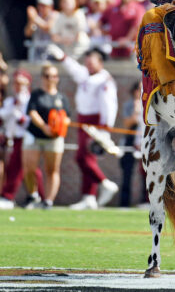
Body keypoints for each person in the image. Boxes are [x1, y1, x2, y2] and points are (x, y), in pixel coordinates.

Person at [47, 44, 120, 210]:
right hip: (83, 120)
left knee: (82, 158)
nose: (88, 64)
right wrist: (63, 57)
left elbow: (109, 105)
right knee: (88, 159)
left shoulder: (104, 80)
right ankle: (89, 196)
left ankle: (105, 183)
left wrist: (105, 129)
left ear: (100, 62)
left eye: (91, 61)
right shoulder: (87, 75)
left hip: (95, 123)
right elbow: (74, 69)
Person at [21, 63, 70, 209]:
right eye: (48, 76)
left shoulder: (61, 98)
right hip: (35, 134)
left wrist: (59, 125)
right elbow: (32, 112)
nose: (51, 79)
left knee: (52, 169)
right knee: (29, 168)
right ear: (43, 77)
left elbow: (67, 117)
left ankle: (48, 200)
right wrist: (44, 126)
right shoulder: (37, 94)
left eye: (54, 76)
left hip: (54, 138)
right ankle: (33, 195)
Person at [0, 70, 43, 209]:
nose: (17, 86)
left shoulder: (29, 100)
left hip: (26, 137)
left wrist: (19, 116)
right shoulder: (10, 101)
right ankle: (39, 196)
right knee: (30, 170)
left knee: (16, 167)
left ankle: (8, 195)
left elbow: (28, 119)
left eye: (21, 83)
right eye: (16, 83)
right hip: (13, 137)